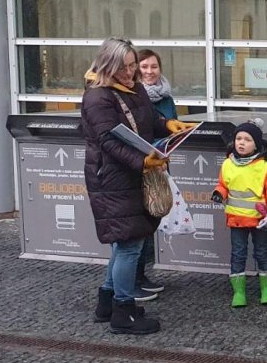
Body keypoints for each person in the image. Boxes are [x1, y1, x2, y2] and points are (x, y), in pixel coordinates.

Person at [80, 37, 188, 335]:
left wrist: (168, 125)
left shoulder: (134, 88)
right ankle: (123, 312)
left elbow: (148, 119)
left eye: (132, 66)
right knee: (129, 243)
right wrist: (143, 162)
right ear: (108, 65)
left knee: (125, 241)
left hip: (131, 175)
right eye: (124, 67)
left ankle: (108, 302)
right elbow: (107, 140)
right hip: (113, 179)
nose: (130, 73)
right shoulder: (97, 97)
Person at [211, 120, 267, 308]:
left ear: (257, 144)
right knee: (238, 254)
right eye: (238, 138)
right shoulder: (228, 164)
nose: (241, 143)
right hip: (236, 219)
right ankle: (239, 292)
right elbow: (223, 184)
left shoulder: (266, 167)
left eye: (247, 139)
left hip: (260, 220)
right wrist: (219, 193)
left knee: (262, 252)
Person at [134, 48, 177, 297]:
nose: (149, 72)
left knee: (153, 219)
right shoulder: (133, 97)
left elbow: (170, 127)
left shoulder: (167, 97)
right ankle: (131, 279)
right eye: (144, 67)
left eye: (154, 66)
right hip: (140, 165)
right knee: (136, 225)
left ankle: (141, 274)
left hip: (161, 165)